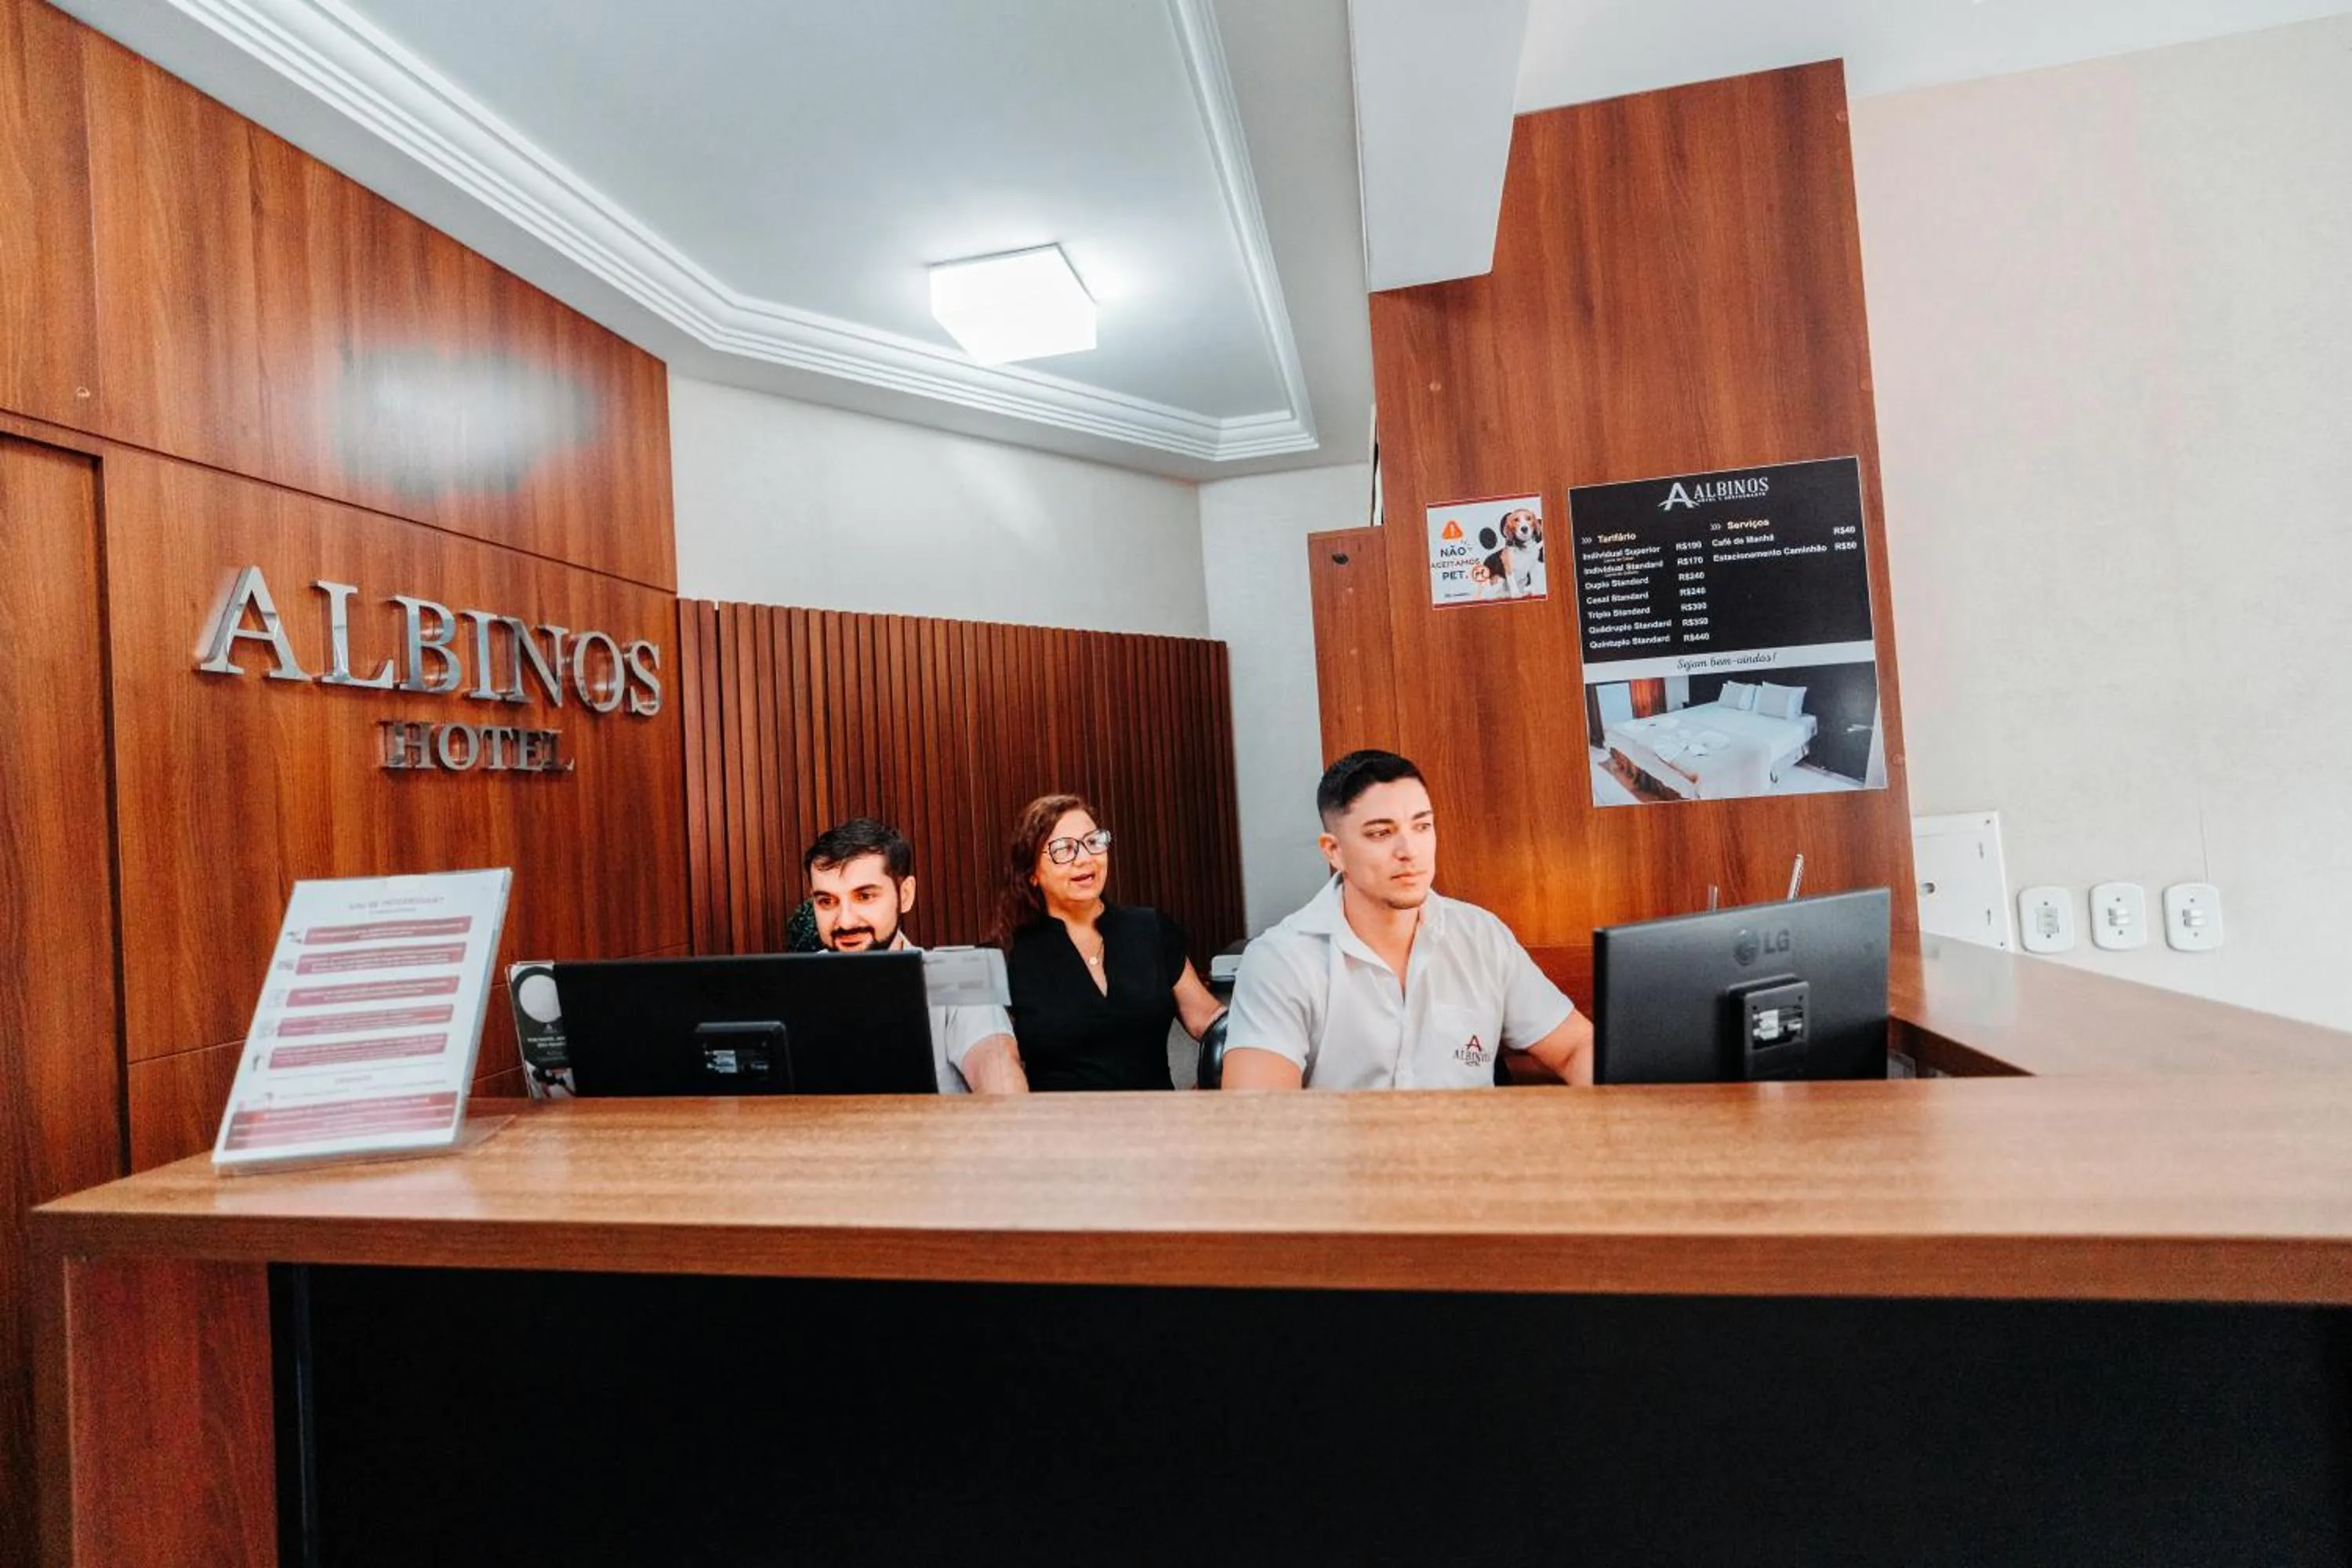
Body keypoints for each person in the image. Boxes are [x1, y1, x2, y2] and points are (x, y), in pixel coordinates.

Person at [1220, 750, 1592, 1091]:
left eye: (1422, 826)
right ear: (1334, 852)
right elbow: (1261, 1118)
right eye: (1381, 833)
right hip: (1342, 1162)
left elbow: (1576, 1046)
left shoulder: (1481, 936)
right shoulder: (1280, 960)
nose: (1409, 851)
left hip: (1470, 1158)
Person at [989, 793, 1225, 1091]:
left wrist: (1206, 1093)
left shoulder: (1149, 929)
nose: (1085, 859)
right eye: (1064, 849)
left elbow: (1210, 1021)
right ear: (1033, 873)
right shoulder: (1010, 953)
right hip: (1059, 1130)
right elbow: (994, 1059)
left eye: (1093, 842)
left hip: (1158, 1126)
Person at [804, 818, 1028, 1094]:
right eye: (827, 901)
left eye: (865, 896)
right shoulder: (796, 984)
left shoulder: (958, 974)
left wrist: (1011, 1123)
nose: (846, 921)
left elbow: (997, 1067)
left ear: (905, 894)